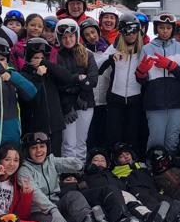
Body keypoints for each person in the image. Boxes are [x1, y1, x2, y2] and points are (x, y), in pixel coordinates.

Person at [17, 131, 103, 222]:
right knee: (51, 221)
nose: (39, 151)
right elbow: (35, 193)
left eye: (42, 146)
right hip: (37, 212)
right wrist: (52, 209)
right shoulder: (24, 171)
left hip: (56, 204)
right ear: (27, 151)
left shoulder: (51, 161)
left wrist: (79, 165)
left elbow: (66, 162)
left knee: (74, 195)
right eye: (34, 148)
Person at [139, 12, 180, 153]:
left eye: (168, 28)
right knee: (156, 139)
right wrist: (141, 73)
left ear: (173, 29)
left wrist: (171, 66)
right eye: (161, 27)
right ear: (156, 28)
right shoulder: (147, 48)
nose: (165, 31)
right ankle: (153, 164)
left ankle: (171, 165)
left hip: (176, 101)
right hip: (155, 102)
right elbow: (141, 80)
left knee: (172, 139)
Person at [18, 38, 70, 156]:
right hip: (35, 127)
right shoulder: (24, 75)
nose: (39, 61)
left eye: (42, 58)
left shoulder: (50, 71)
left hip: (55, 125)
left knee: (55, 157)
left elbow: (68, 78)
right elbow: (27, 96)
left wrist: (47, 64)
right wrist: (37, 76)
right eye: (36, 58)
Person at [54, 18, 98, 160]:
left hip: (85, 102)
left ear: (77, 35)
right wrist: (79, 79)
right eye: (64, 37)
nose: (68, 40)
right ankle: (68, 170)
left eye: (71, 36)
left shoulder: (87, 54)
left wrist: (83, 93)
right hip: (67, 105)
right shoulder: (56, 56)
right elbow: (60, 83)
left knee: (81, 141)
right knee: (69, 143)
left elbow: (93, 80)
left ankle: (79, 169)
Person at [104, 12, 147, 150]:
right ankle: (113, 158)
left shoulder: (143, 50)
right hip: (115, 99)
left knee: (132, 136)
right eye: (128, 31)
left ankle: (132, 160)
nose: (132, 35)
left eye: (135, 31)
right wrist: (110, 58)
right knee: (113, 135)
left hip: (135, 100)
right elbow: (97, 66)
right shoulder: (114, 48)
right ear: (122, 32)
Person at [81, 18, 113, 154]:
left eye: (93, 32)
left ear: (98, 32)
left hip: (106, 100)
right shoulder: (82, 53)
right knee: (90, 135)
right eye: (87, 35)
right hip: (91, 101)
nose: (91, 36)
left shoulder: (109, 49)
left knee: (105, 134)